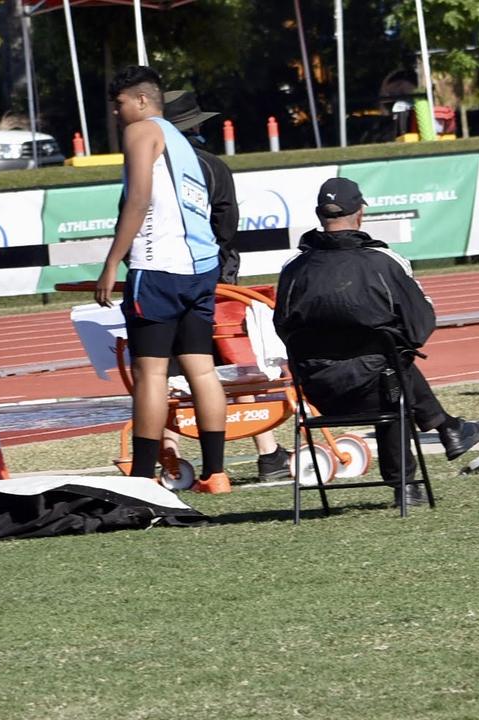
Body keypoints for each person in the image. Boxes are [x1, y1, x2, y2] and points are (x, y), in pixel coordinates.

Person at [274, 177, 479, 506]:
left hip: (319, 392)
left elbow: (282, 327)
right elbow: (420, 325)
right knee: (393, 364)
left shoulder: (293, 270)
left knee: (389, 364)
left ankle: (445, 432)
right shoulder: (383, 262)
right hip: (377, 389)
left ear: (320, 216)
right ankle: (419, 468)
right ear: (360, 213)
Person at [95, 66, 229, 494]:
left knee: (150, 374)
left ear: (139, 100)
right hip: (200, 267)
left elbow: (138, 199)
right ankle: (216, 473)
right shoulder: (182, 144)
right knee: (202, 371)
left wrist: (113, 261)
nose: (116, 114)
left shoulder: (141, 132)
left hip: (158, 267)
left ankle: (142, 477)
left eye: (118, 105)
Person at [162, 89, 291, 483]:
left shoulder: (150, 165)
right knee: (236, 364)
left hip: (161, 277)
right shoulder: (212, 167)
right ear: (196, 126)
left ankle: (169, 456)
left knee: (166, 369)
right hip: (212, 277)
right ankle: (268, 455)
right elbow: (226, 228)